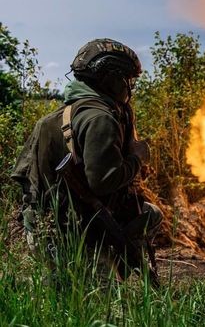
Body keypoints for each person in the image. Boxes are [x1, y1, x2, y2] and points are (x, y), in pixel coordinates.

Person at [12, 38, 162, 281]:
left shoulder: (56, 118)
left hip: (44, 228)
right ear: (111, 78)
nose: (130, 88)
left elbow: (23, 178)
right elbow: (104, 181)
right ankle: (94, 269)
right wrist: (137, 158)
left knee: (150, 214)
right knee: (98, 302)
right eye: (128, 79)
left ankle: (85, 271)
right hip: (74, 233)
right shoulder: (100, 118)